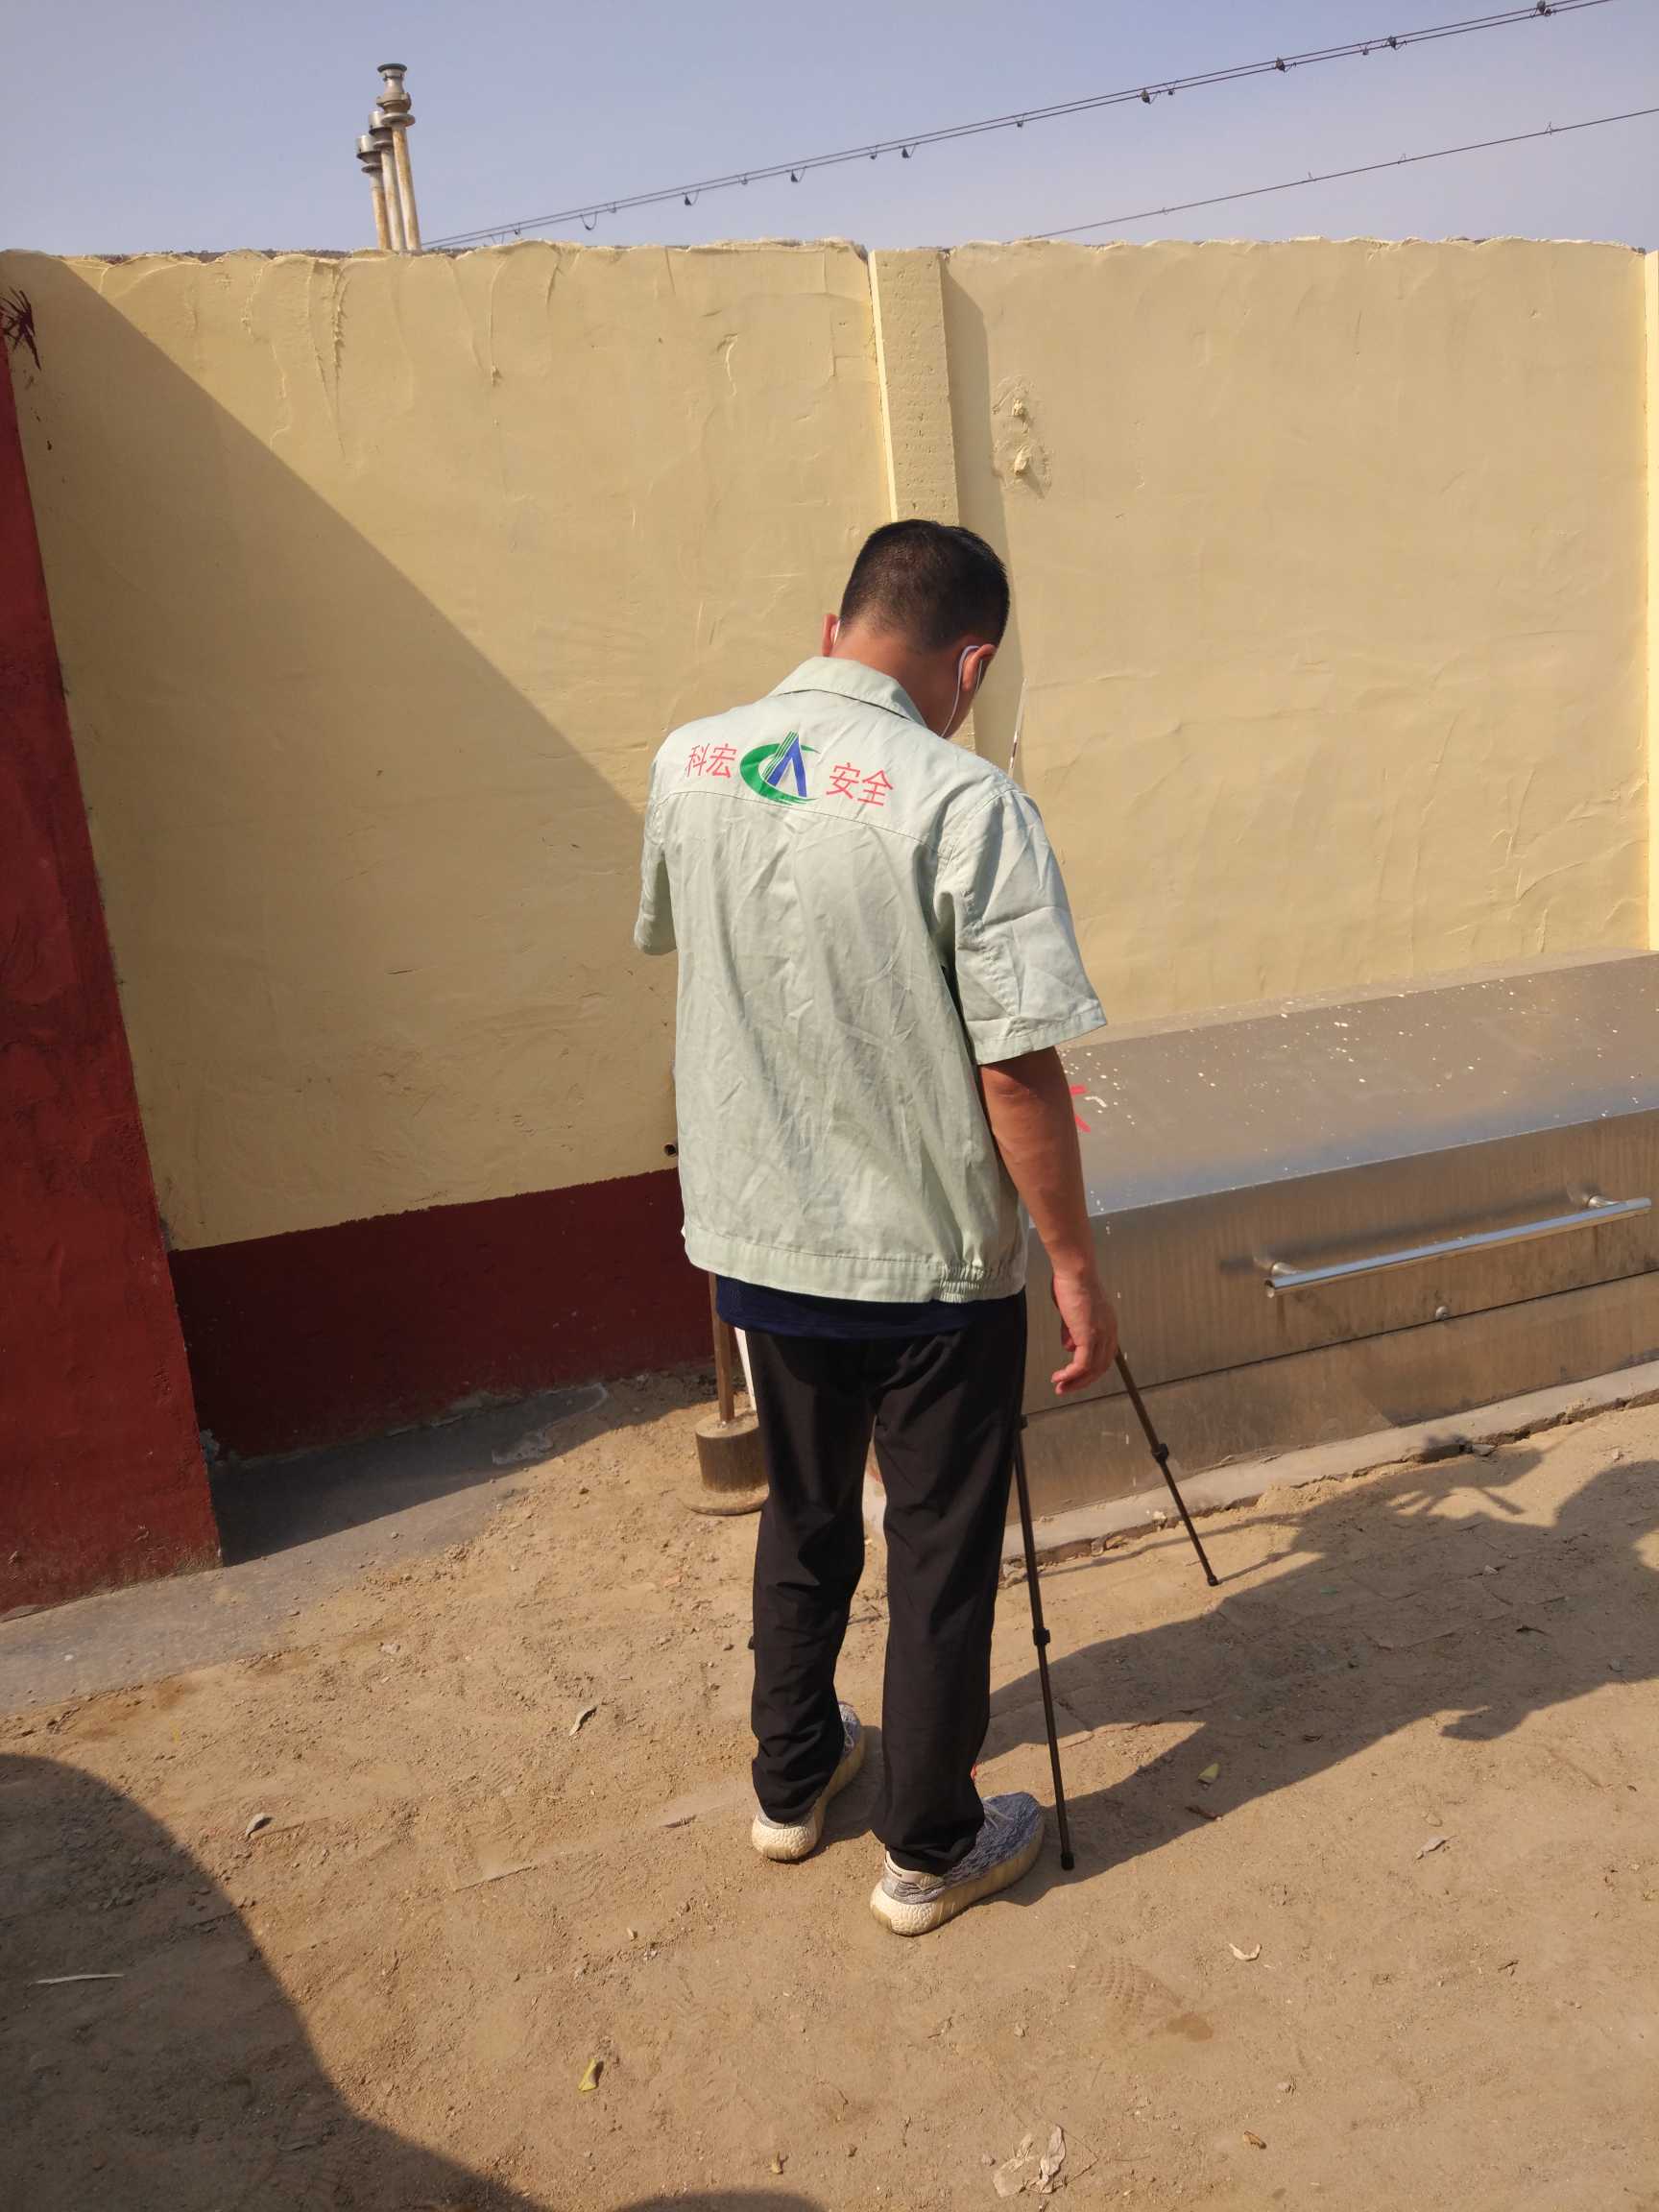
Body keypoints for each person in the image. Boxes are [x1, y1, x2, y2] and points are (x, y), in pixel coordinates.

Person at [635, 519, 1116, 1935]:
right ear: (970, 662)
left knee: (802, 1509)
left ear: (835, 626)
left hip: (760, 1240)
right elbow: (1016, 1064)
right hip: (925, 1263)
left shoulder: (691, 761)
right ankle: (929, 1847)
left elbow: (700, 946)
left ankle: (791, 1785)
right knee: (939, 1550)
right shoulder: (966, 802)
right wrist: (1074, 1264)